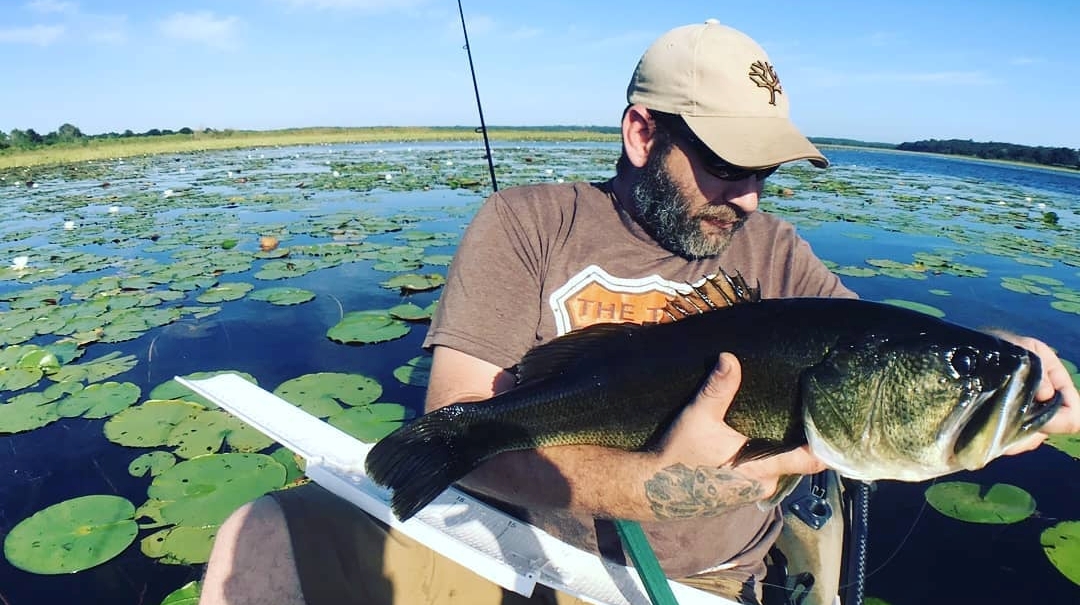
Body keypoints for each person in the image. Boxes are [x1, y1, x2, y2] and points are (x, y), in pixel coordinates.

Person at [199, 19, 1080, 605]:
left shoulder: (776, 254)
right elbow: (455, 425)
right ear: (641, 134)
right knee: (262, 533)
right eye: (729, 163)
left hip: (715, 584)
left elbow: (875, 347)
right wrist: (651, 478)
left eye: (766, 171)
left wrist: (1007, 355)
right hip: (515, 552)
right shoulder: (526, 223)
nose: (748, 197)